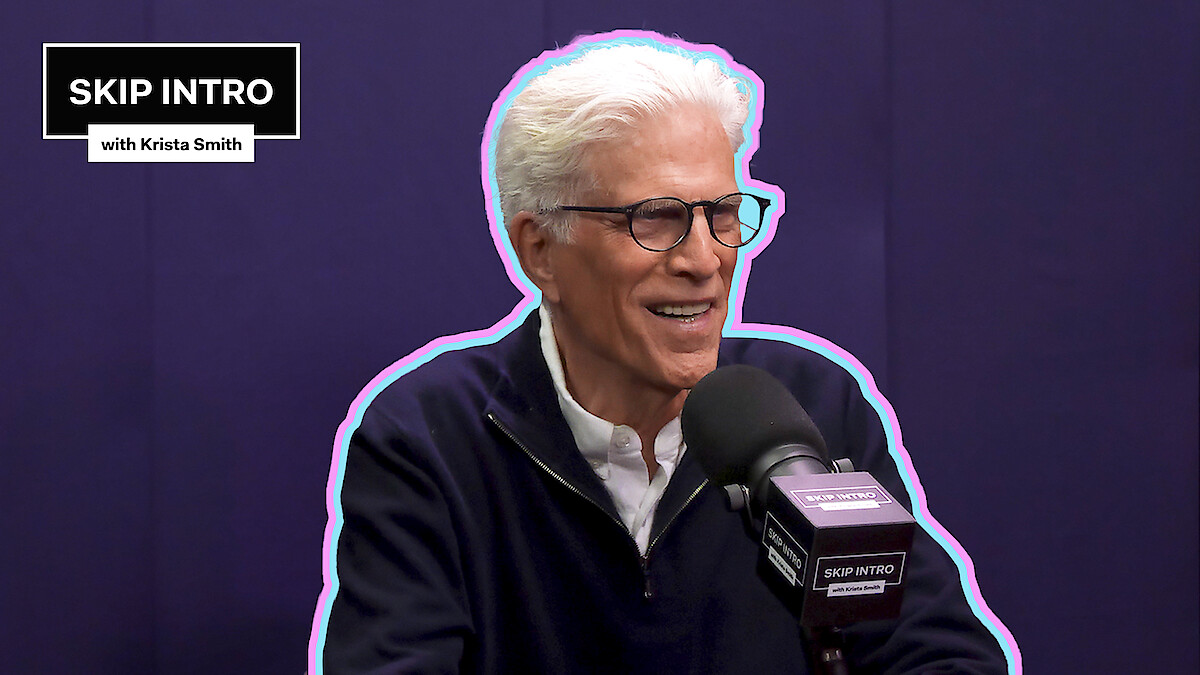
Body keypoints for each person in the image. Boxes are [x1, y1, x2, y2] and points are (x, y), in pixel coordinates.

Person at [316, 34, 1009, 674]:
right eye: (656, 217)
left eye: (723, 213)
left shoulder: (811, 405)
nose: (705, 260)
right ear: (540, 250)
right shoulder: (428, 438)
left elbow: (939, 656)